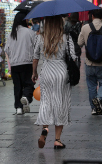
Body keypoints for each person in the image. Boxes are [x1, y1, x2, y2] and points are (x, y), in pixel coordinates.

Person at [32, 15, 76, 149]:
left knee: (46, 102)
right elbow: (73, 57)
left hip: (46, 71)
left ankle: (45, 129)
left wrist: (34, 72)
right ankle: (57, 139)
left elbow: (35, 57)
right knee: (60, 103)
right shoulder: (66, 38)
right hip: (61, 72)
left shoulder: (41, 37)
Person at [78, 9, 102, 115]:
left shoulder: (85, 27)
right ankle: (99, 98)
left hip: (89, 62)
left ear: (92, 16)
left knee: (91, 86)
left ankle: (94, 108)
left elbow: (80, 42)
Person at [5, 12, 36, 115]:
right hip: (27, 63)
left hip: (14, 64)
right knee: (28, 83)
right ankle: (26, 97)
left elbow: (7, 50)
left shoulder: (11, 34)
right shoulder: (30, 32)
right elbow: (36, 48)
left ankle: (19, 107)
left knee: (17, 86)